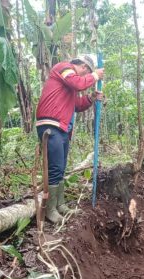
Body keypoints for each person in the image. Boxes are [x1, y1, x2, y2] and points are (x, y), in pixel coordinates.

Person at [35, 55, 104, 223]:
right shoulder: (63, 67)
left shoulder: (70, 86)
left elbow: (77, 105)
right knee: (54, 167)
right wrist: (95, 75)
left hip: (63, 128)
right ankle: (49, 209)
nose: (84, 73)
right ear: (77, 65)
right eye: (84, 70)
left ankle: (60, 204)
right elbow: (78, 83)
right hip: (51, 125)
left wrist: (91, 98)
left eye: (88, 71)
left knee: (60, 168)